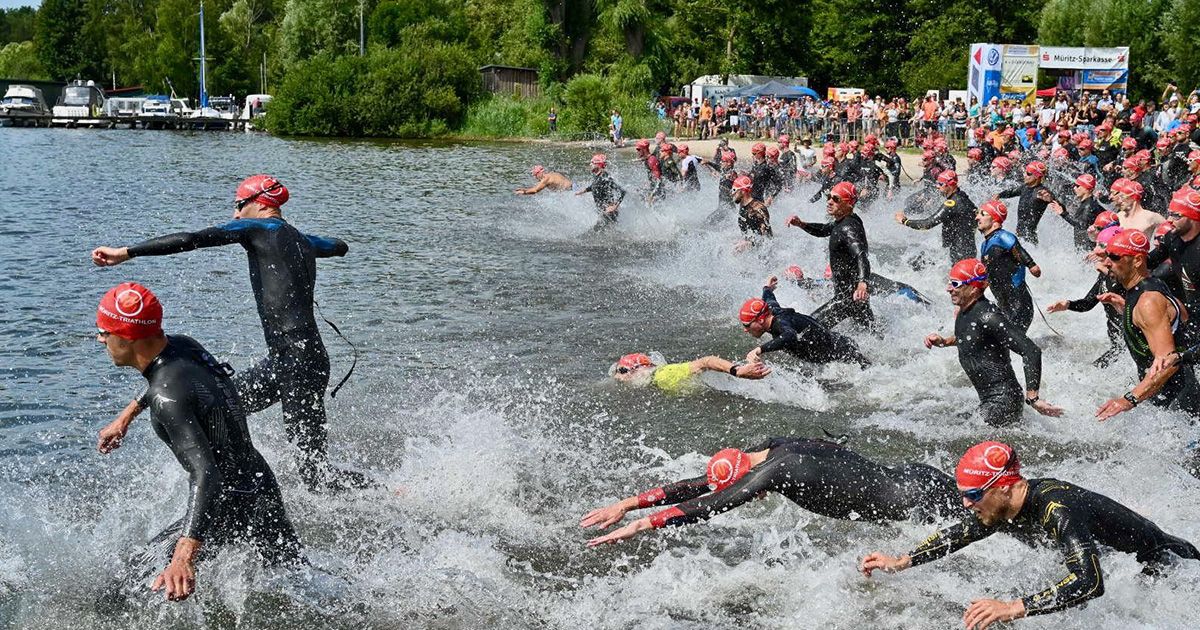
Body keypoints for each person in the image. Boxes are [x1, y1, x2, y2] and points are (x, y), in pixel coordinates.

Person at [90, 175, 366, 492]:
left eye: (238, 205)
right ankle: (231, 488)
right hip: (289, 360)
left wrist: (127, 252)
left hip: (299, 363)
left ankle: (388, 493)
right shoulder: (300, 240)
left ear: (260, 203)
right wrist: (308, 242)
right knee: (216, 406)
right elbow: (339, 247)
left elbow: (192, 238)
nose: (235, 215)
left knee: (313, 474)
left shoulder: (258, 228)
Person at [93, 283, 303, 605]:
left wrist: (183, 556)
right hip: (260, 482)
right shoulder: (184, 347)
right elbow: (169, 384)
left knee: (119, 592)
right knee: (297, 576)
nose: (100, 339)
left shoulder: (167, 399)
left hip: (229, 503)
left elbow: (207, 475)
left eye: (104, 332)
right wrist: (127, 415)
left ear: (128, 338)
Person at [860, 441, 1199, 628]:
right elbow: (962, 534)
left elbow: (1090, 582)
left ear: (1004, 486)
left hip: (1176, 571)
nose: (966, 504)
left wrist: (1012, 608)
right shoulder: (1004, 506)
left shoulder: (1057, 508)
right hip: (1133, 571)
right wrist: (902, 561)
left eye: (974, 495)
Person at [582, 437, 963, 547]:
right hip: (916, 475)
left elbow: (714, 502)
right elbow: (706, 484)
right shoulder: (775, 448)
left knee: (1002, 530)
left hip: (914, 503)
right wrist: (629, 503)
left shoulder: (778, 470)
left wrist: (641, 525)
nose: (753, 491)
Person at [924, 259, 1062, 426]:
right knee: (945, 424)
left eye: (955, 284)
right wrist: (945, 341)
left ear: (974, 288)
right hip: (990, 400)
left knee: (950, 433)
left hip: (1003, 401)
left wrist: (1033, 398)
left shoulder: (989, 317)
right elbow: (974, 337)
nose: (948, 289)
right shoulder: (965, 309)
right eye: (949, 282)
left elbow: (1031, 350)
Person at [1095, 229, 1200, 420]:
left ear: (1137, 260)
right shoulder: (1151, 287)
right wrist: (1127, 309)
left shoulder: (1148, 302)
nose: (1107, 262)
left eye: (1115, 257)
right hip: (1166, 394)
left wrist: (1127, 400)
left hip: (1178, 403)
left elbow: (1168, 363)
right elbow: (1178, 318)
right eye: (1106, 256)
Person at [786, 181, 875, 331]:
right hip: (855, 298)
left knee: (806, 330)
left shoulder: (848, 228)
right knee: (873, 335)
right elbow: (825, 229)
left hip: (847, 298)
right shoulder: (844, 221)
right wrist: (802, 224)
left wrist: (862, 283)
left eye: (836, 199)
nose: (829, 201)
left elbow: (861, 255)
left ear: (849, 204)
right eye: (829, 197)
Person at [740, 276, 870, 368]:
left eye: (747, 325)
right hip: (840, 345)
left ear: (761, 319)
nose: (745, 329)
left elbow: (789, 336)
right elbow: (769, 300)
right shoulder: (772, 310)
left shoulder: (780, 323)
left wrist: (759, 350)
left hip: (844, 355)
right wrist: (767, 289)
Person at [1046, 225, 1127, 368]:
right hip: (1118, 344)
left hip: (1131, 344)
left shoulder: (1129, 279)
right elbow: (1088, 303)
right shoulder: (1104, 274)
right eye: (1096, 244)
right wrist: (1068, 304)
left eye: (1101, 245)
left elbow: (1135, 306)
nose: (1095, 250)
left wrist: (1107, 272)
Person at [976, 200, 1041, 333]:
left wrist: (1031, 264)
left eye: (982, 214)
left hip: (1019, 304)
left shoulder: (1003, 236)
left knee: (1009, 341)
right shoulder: (984, 245)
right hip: (1004, 305)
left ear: (994, 219)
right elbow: (987, 273)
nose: (977, 217)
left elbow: (1017, 249)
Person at [895, 169, 977, 263]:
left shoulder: (952, 203)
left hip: (959, 254)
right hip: (967, 250)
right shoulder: (963, 197)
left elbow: (927, 224)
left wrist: (904, 221)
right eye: (937, 183)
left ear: (950, 185)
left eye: (940, 184)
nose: (937, 187)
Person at [608, 352, 770, 394]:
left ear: (640, 370)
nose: (618, 377)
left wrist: (738, 371)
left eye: (623, 371)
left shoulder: (663, 375)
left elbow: (706, 361)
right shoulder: (655, 381)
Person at [784, 264, 932, 306]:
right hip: (902, 291)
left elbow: (820, 284)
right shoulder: (852, 277)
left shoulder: (857, 281)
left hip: (905, 294)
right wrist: (798, 280)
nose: (831, 284)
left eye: (832, 281)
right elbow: (818, 284)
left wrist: (798, 280)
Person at [996, 161, 1052, 245]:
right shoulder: (1025, 187)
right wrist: (999, 195)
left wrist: (1050, 199)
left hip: (1029, 238)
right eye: (1025, 172)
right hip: (1019, 235)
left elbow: (1058, 204)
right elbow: (1011, 192)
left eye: (1028, 173)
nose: (1024, 175)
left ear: (1037, 176)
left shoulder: (1042, 192)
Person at [1047, 173, 1107, 250]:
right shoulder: (1089, 203)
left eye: (1078, 186)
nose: (1074, 188)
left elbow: (1081, 225)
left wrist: (1063, 213)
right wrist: (1061, 207)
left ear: (1087, 188)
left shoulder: (1089, 205)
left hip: (1086, 248)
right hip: (1083, 245)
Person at [576, 153, 626, 229]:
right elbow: (595, 185)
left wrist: (615, 206)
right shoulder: (598, 176)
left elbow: (622, 191)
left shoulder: (605, 177)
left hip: (609, 214)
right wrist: (584, 191)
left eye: (592, 162)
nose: (590, 164)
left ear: (598, 165)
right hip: (603, 213)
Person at [732, 175, 772, 240]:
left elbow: (766, 238)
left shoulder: (757, 208)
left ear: (743, 191)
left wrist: (748, 243)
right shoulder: (743, 207)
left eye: (734, 190)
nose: (732, 194)